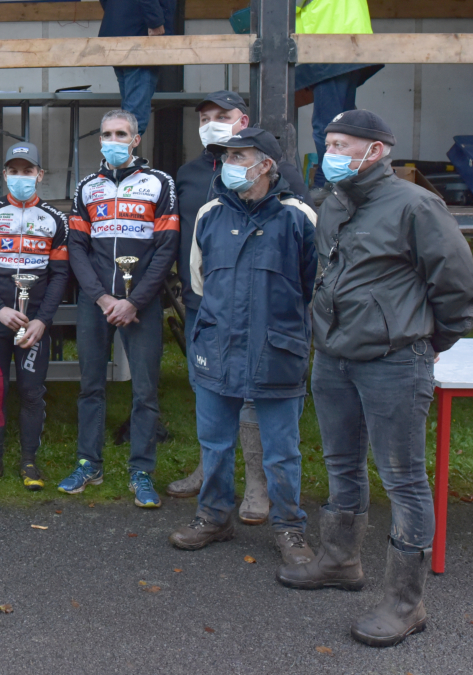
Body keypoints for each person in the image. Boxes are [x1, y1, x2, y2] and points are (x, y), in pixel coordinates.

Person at [276, 111, 473, 648]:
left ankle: (406, 603)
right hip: (333, 357)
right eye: (329, 143)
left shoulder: (416, 205)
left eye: (343, 144)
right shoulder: (334, 203)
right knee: (340, 462)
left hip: (394, 361)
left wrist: (429, 340)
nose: (332, 153)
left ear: (377, 150)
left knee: (403, 479)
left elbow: (457, 284)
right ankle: (340, 560)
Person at [169, 128, 317, 565]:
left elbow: (315, 285)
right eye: (227, 157)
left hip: (278, 349)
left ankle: (290, 527)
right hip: (217, 344)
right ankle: (214, 516)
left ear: (266, 165)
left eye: (239, 157)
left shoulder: (298, 217)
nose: (228, 165)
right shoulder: (210, 214)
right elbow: (199, 281)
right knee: (214, 442)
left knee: (281, 450)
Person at [61, 109, 177, 508]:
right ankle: (88, 464)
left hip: (141, 302)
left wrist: (135, 300)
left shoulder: (159, 182)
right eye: (107, 134)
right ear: (100, 140)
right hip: (96, 301)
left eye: (121, 134)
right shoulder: (86, 187)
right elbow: (77, 248)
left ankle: (141, 470)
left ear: (135, 140)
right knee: (90, 386)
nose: (114, 140)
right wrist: (102, 297)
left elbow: (166, 247)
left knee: (145, 391)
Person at [0, 142, 70, 491]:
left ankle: (29, 462)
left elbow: (60, 274)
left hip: (34, 322)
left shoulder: (55, 218)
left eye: (28, 170)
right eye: (14, 171)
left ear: (40, 175)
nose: (20, 176)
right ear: (5, 174)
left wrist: (43, 320)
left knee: (31, 391)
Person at [295, 0, 383, 189]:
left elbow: (282, 8)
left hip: (328, 42)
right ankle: (344, 180)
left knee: (327, 125)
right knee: (343, 122)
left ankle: (328, 182)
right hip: (351, 41)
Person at [98, 0, 176, 136]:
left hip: (119, 30)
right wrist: (155, 21)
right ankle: (120, 148)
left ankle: (119, 147)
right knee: (134, 118)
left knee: (129, 112)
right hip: (141, 35)